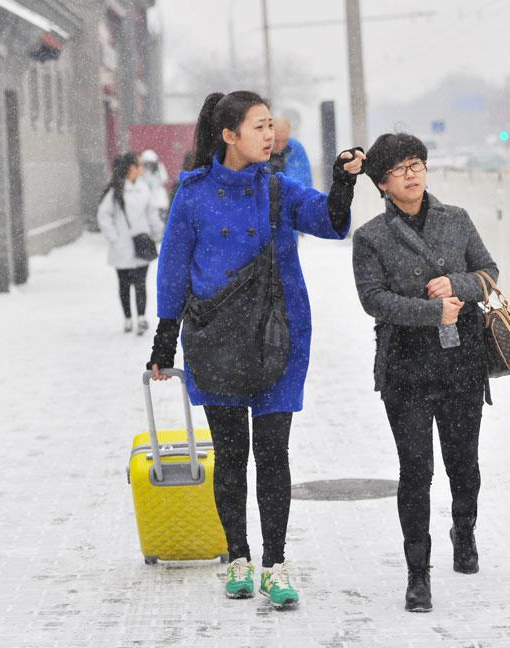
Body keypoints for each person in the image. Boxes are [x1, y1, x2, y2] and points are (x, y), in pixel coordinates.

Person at [147, 90, 365, 608]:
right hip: (215, 334)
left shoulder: (279, 189)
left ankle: (276, 564)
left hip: (278, 335)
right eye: (259, 126)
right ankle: (238, 557)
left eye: (271, 125)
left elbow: (331, 223)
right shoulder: (194, 192)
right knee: (230, 455)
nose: (270, 135)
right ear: (229, 135)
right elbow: (174, 265)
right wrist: (164, 338)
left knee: (272, 454)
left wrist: (344, 180)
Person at [352, 133, 499, 613]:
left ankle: (465, 528)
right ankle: (418, 573)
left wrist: (456, 285)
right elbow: (373, 300)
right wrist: (431, 311)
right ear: (382, 183)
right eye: (400, 169)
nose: (412, 174)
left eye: (418, 164)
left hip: (462, 363)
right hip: (405, 369)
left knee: (463, 462)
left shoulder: (456, 220)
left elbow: (489, 273)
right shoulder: (371, 237)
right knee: (416, 471)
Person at [97, 151, 163, 335]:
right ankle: (127, 318)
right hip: (122, 245)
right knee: (124, 284)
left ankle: (141, 317)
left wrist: (157, 231)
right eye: (139, 165)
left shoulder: (144, 189)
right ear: (131, 168)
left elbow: (151, 213)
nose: (142, 168)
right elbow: (104, 215)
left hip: (141, 242)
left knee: (141, 283)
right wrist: (113, 237)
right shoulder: (116, 191)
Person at [269, 116, 313, 189]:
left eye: (284, 141)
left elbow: (303, 182)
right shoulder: (257, 151)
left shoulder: (295, 149)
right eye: (276, 141)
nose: (280, 146)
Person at [140, 149, 170, 221]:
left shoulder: (159, 169)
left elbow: (164, 178)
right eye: (147, 163)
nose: (149, 166)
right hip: (146, 200)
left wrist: (157, 172)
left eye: (151, 163)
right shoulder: (143, 172)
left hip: (159, 200)